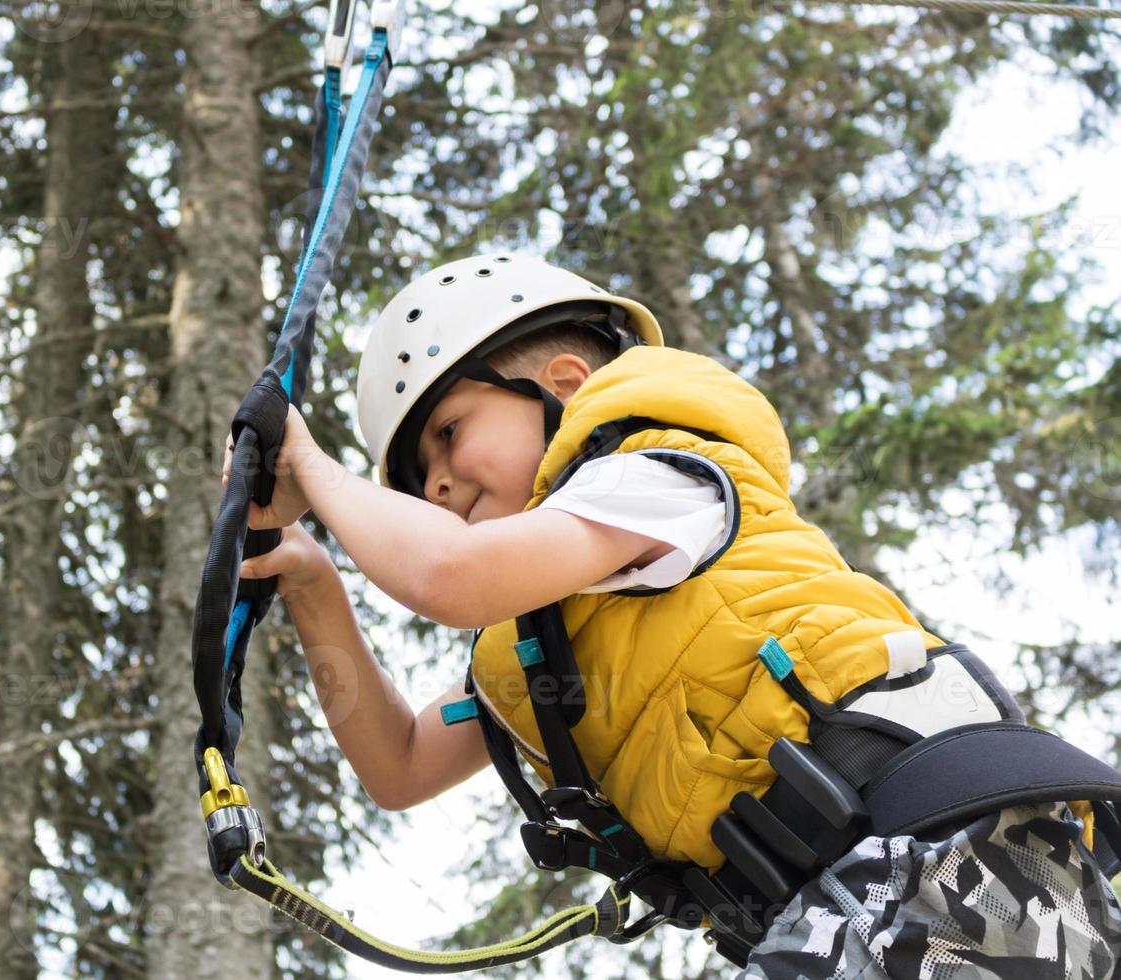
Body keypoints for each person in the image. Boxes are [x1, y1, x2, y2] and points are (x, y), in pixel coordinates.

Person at [221, 254, 1121, 977]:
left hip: (950, 851)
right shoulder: (543, 646)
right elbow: (403, 765)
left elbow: (447, 575)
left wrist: (312, 465)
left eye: (448, 434)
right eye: (418, 481)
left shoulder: (655, 485)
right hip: (849, 904)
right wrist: (312, 585)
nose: (440, 484)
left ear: (566, 386)